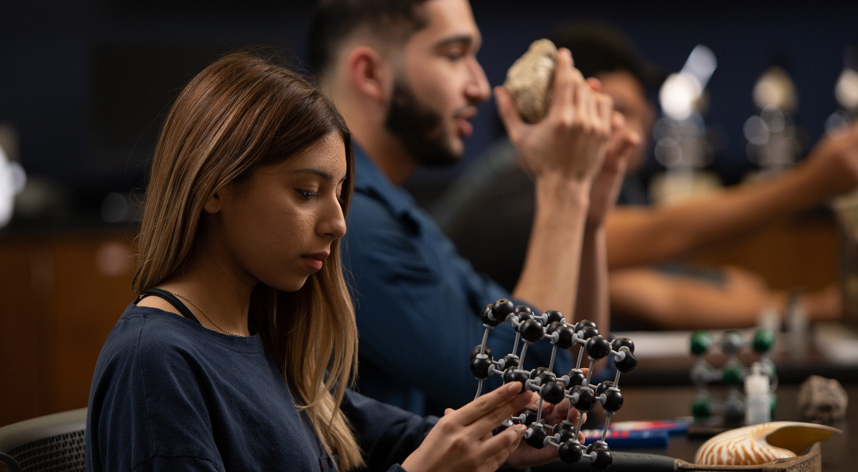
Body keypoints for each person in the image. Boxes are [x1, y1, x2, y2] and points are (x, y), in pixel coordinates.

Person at [85, 51, 577, 472]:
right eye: (306, 192)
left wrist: (499, 441)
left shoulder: (267, 341)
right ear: (215, 187)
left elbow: (382, 434)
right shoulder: (156, 363)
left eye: (339, 194)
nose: (338, 223)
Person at [307, 0, 637, 416]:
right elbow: (517, 393)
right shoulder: (348, 222)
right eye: (454, 55)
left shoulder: (395, 209)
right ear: (371, 73)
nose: (480, 85)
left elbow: (579, 366)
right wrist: (563, 186)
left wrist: (587, 220)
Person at [437, 21, 858, 331]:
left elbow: (662, 271)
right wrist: (811, 184)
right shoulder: (512, 187)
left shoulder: (611, 182)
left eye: (641, 115)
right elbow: (659, 252)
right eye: (617, 111)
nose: (635, 136)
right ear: (556, 105)